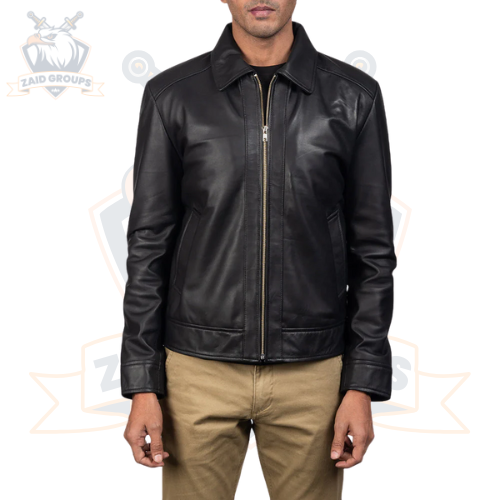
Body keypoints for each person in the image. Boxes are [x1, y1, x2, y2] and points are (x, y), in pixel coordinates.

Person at [120, 1, 397, 498]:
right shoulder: (173, 95)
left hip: (314, 373)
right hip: (196, 370)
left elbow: (373, 253)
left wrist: (362, 383)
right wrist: (143, 382)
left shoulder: (353, 96)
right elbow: (148, 247)